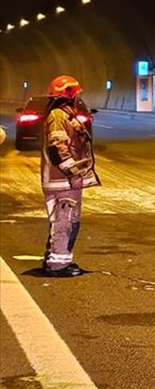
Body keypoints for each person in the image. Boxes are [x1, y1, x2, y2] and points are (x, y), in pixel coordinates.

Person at [39, 74, 100, 277]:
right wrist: (73, 173)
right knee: (64, 222)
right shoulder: (58, 116)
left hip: (66, 181)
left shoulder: (64, 115)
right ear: (70, 96)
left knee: (68, 222)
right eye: (76, 94)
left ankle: (60, 260)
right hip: (62, 182)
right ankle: (57, 265)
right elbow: (58, 149)